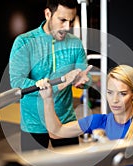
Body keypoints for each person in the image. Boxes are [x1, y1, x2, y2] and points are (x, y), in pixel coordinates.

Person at [9, 0, 91, 151]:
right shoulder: (24, 42)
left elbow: (84, 75)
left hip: (65, 121)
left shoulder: (76, 43)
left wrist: (83, 81)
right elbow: (17, 82)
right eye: (62, 20)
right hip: (34, 122)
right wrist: (52, 86)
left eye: (71, 21)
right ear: (48, 14)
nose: (67, 27)